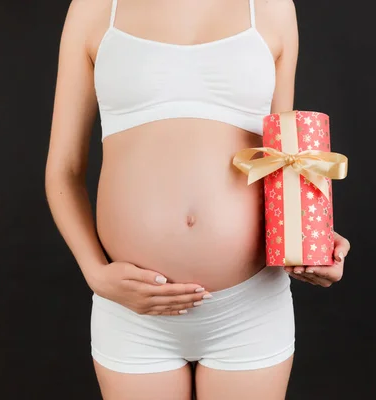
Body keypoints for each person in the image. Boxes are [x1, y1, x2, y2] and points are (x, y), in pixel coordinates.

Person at [45, 0, 351, 399]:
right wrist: (95, 273)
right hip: (134, 312)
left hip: (249, 307)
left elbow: (285, 157)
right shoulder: (95, 8)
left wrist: (313, 238)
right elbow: (63, 170)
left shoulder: (272, 8)